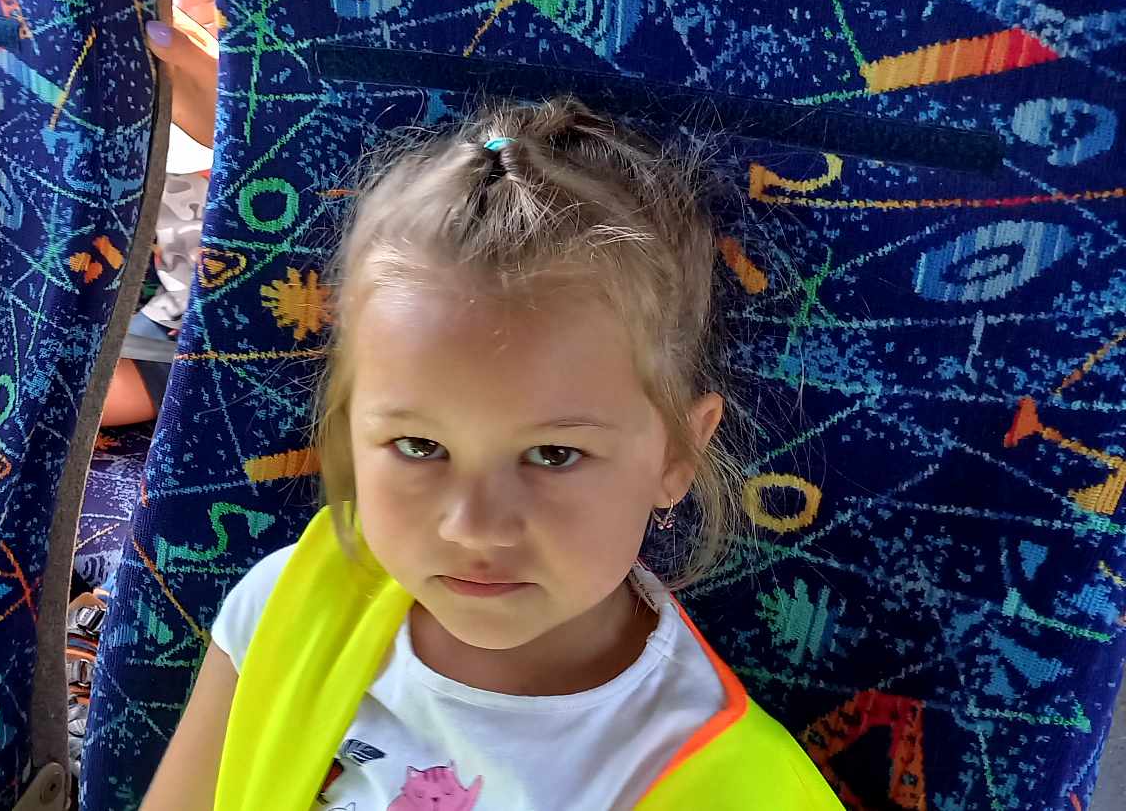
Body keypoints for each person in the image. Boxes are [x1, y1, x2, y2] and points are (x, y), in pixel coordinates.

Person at [142, 98, 843, 809]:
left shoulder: (728, 785)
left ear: (676, 455)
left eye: (554, 454)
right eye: (419, 446)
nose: (472, 527)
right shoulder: (288, 606)